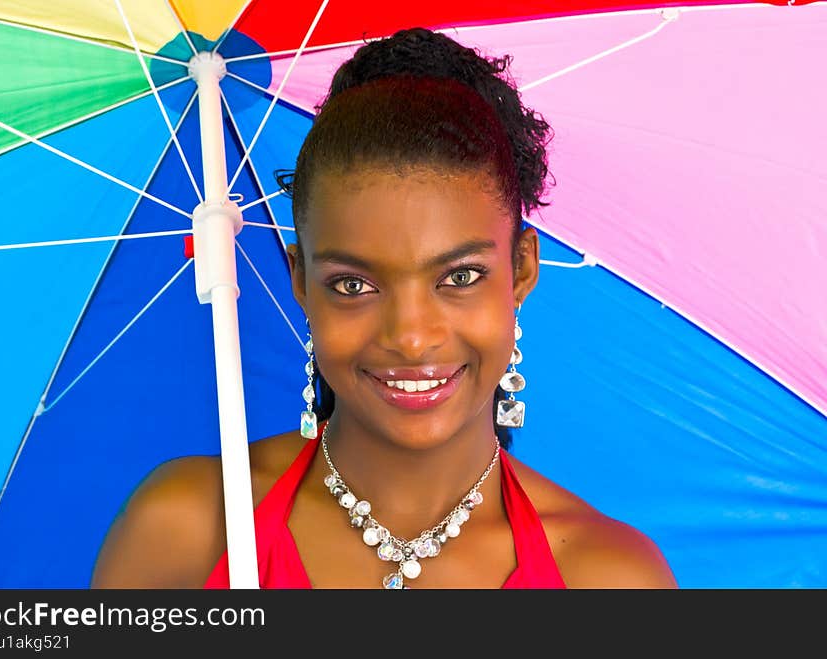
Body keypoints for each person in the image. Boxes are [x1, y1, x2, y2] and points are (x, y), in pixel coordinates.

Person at [90, 27, 677, 590]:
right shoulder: (188, 531)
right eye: (353, 285)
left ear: (521, 268)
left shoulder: (608, 578)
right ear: (299, 279)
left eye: (460, 276)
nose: (412, 337)